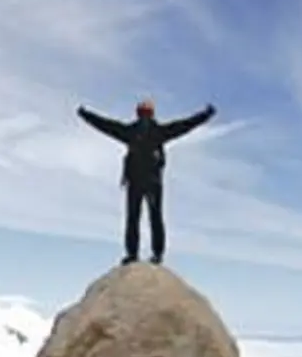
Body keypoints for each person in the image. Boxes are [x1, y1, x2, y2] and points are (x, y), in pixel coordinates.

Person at [77, 97, 216, 265]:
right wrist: (85, 115)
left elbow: (107, 126)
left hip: (144, 181)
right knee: (145, 218)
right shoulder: (153, 132)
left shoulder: (137, 132)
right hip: (147, 181)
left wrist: (85, 115)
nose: (144, 117)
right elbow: (107, 125)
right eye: (144, 113)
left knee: (142, 218)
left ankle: (143, 254)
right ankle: (146, 254)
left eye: (145, 113)